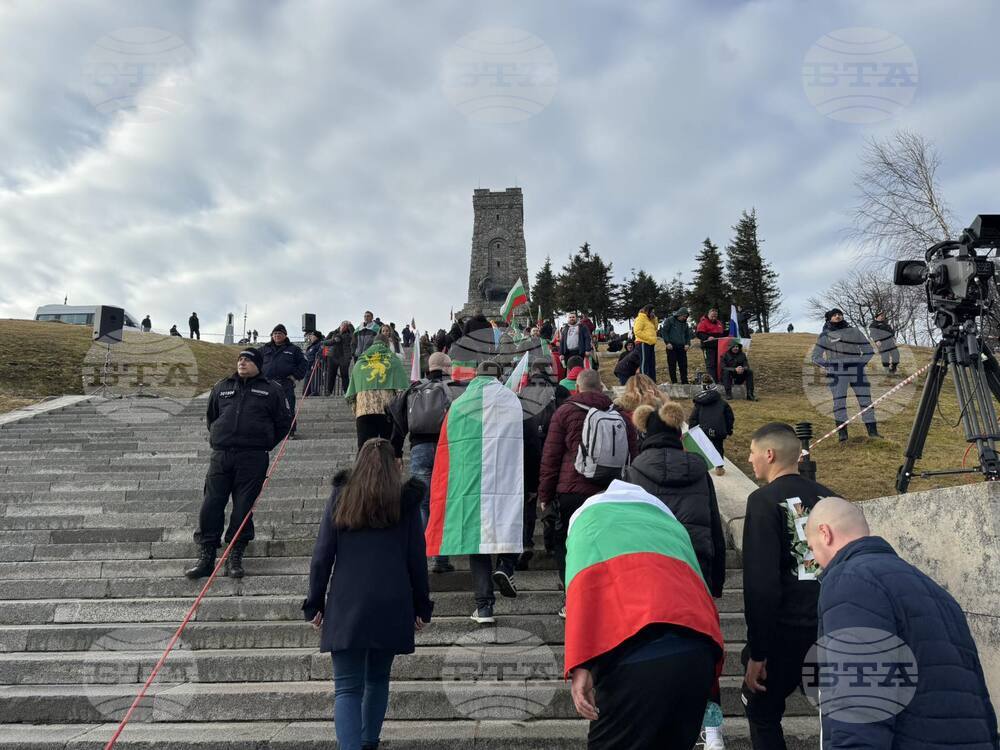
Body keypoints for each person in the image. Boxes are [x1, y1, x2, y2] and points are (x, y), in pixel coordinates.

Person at [804, 498, 998, 750]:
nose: (815, 560)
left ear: (825, 533)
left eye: (812, 548)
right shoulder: (934, 590)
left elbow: (860, 706)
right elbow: (979, 696)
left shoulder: (850, 580)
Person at [565, 480, 724, 750]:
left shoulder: (589, 526)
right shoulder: (670, 529)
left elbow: (585, 598)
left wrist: (582, 666)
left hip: (635, 659)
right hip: (697, 655)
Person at [303, 438, 433, 750]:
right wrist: (421, 606)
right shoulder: (407, 502)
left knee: (347, 688)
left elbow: (322, 554)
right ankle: (369, 742)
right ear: (396, 466)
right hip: (392, 601)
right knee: (377, 680)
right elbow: (417, 558)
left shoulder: (342, 496)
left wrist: (314, 602)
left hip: (348, 602)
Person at [624, 400, 727, 748]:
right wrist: (718, 580)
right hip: (696, 565)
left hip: (652, 568)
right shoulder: (698, 467)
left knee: (652, 646)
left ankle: (660, 723)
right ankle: (712, 730)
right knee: (704, 645)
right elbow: (714, 523)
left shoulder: (636, 469)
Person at [741, 422, 836, 750]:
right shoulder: (832, 498)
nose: (749, 460)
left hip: (784, 633)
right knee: (837, 719)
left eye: (752, 453)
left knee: (762, 713)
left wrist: (758, 650)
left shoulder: (763, 501)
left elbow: (761, 581)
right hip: (830, 627)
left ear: (769, 454)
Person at [425, 361, 524, 624]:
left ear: (476, 376)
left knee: (477, 543)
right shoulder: (512, 400)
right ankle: (505, 566)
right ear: (499, 376)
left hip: (471, 482)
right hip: (507, 478)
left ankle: (484, 607)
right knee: (511, 523)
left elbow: (449, 446)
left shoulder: (459, 404)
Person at [184, 349, 291, 580]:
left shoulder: (272, 389)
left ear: (258, 364)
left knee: (243, 508)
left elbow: (284, 422)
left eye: (248, 359)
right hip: (222, 455)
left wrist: (264, 443)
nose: (242, 362)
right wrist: (220, 436)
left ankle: (235, 554)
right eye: (240, 358)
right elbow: (212, 416)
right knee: (211, 505)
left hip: (253, 457)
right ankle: (206, 555)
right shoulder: (222, 386)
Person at [539, 368, 639, 615]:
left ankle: (572, 599)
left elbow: (550, 457)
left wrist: (545, 495)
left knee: (570, 544)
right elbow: (633, 456)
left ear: (577, 387)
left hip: (571, 490)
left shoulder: (564, 412)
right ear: (602, 387)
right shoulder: (622, 416)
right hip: (610, 491)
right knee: (607, 544)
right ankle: (609, 598)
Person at [388, 351, 460, 574]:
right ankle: (441, 559)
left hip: (419, 448)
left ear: (429, 367)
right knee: (444, 503)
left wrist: (397, 452)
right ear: (447, 367)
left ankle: (420, 555)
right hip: (447, 449)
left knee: (423, 503)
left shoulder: (415, 388)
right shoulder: (456, 388)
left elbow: (399, 422)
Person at [517, 362, 570, 570]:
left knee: (529, 500)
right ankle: (552, 544)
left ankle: (525, 541)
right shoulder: (560, 391)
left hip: (530, 450)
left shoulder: (523, 392)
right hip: (556, 451)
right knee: (553, 499)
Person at [811, 308, 880, 442]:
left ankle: (873, 433)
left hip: (857, 370)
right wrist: (830, 366)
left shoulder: (854, 331)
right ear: (829, 318)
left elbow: (868, 350)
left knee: (866, 401)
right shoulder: (825, 335)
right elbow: (815, 357)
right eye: (834, 315)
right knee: (839, 403)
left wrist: (861, 363)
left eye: (840, 314)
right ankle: (843, 435)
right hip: (837, 373)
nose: (838, 316)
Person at [345, 335, 409, 450]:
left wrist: (357, 410)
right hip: (387, 412)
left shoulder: (360, 362)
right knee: (388, 448)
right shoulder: (393, 361)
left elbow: (352, 392)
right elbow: (402, 391)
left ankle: (364, 468)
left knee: (364, 449)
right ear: (387, 344)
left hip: (363, 411)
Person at [261, 324, 308, 438]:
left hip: (285, 383)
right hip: (267, 383)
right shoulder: (264, 349)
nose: (277, 335)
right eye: (275, 334)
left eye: (279, 333)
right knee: (266, 407)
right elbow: (254, 362)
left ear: (285, 335)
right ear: (272, 336)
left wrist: (295, 376)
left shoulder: (294, 349)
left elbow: (304, 363)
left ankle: (290, 431)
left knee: (288, 407)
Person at [690, 375, 734, 477]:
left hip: (703, 430)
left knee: (702, 447)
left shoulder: (699, 403)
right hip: (718, 430)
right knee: (718, 447)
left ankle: (701, 466)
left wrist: (692, 430)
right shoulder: (723, 403)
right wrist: (729, 430)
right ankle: (719, 467)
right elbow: (729, 418)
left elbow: (693, 418)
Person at [660, 307, 693, 384]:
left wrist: (687, 344)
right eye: (684, 316)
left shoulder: (685, 324)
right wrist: (667, 342)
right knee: (672, 365)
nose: (685, 318)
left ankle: (684, 382)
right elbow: (664, 332)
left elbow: (688, 335)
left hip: (682, 347)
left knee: (683, 365)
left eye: (686, 316)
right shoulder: (669, 320)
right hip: (671, 347)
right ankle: (674, 382)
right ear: (679, 314)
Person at [322, 322, 354, 396]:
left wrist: (351, 327)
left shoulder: (350, 334)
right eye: (343, 325)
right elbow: (325, 342)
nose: (344, 327)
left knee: (344, 375)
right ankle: (328, 391)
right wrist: (333, 339)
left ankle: (346, 391)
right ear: (340, 325)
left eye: (346, 326)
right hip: (332, 356)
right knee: (331, 374)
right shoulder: (333, 333)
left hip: (344, 357)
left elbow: (354, 338)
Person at [695, 309, 725, 381]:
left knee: (719, 364)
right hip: (708, 347)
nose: (714, 317)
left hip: (718, 347)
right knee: (711, 365)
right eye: (712, 316)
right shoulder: (703, 322)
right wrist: (707, 337)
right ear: (708, 315)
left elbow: (722, 333)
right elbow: (699, 334)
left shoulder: (719, 323)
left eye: (715, 316)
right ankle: (713, 382)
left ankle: (719, 380)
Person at [633, 304, 659, 380]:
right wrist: (649, 339)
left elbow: (655, 328)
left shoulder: (650, 320)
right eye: (652, 312)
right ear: (648, 311)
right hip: (643, 343)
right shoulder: (640, 318)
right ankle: (644, 382)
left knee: (651, 364)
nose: (653, 313)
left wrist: (654, 319)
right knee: (644, 363)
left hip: (650, 343)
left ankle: (652, 382)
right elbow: (637, 331)